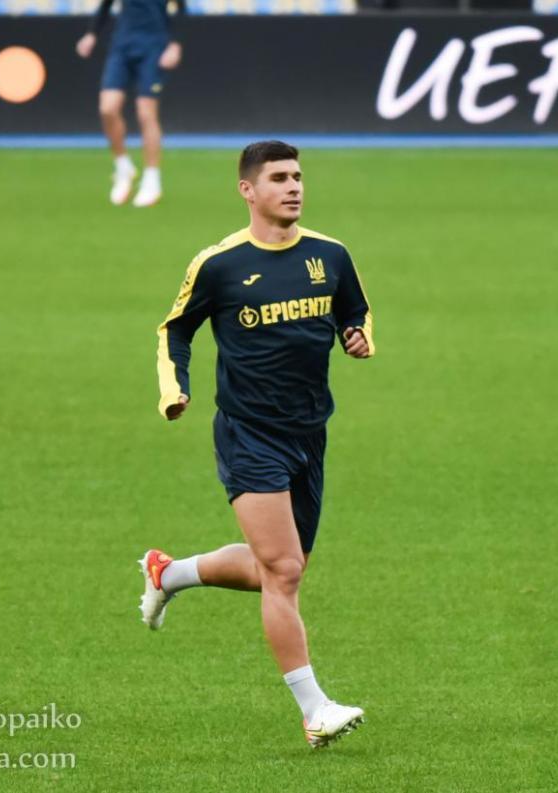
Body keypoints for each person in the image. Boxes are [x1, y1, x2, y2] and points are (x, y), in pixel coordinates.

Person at [140, 141, 374, 748]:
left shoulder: (330, 254)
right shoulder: (219, 264)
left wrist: (356, 335)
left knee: (275, 567)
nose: (293, 187)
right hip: (249, 434)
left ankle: (168, 573)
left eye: (297, 176)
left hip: (310, 432)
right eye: (279, 178)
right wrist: (174, 388)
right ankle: (314, 710)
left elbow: (355, 310)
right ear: (248, 190)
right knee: (284, 571)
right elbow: (175, 330)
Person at [75, 0, 184, 207]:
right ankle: (123, 166)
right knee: (107, 108)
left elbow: (181, 9)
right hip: (122, 45)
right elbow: (106, 5)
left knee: (146, 112)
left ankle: (152, 178)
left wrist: (176, 44)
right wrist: (91, 34)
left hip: (154, 46)